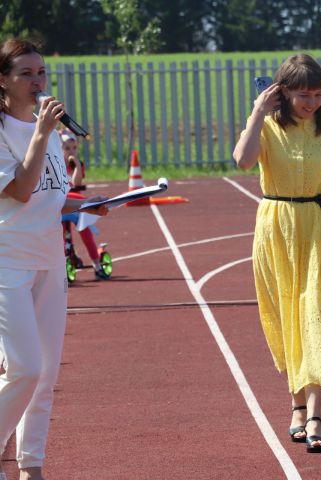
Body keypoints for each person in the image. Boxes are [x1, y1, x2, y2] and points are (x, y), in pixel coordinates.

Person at [232, 53, 321, 453]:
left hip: (319, 230)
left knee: (317, 319)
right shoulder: (268, 129)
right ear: (282, 92)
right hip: (276, 229)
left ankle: (315, 415)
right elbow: (242, 161)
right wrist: (258, 112)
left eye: (318, 94)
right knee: (286, 318)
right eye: (303, 94)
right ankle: (295, 406)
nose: (311, 102)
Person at [0, 37, 108, 480]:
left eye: (41, 72)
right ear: (2, 81)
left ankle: (32, 467)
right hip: (8, 262)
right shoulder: (10, 132)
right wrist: (42, 134)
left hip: (47, 259)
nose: (37, 81)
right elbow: (21, 190)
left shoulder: (51, 131)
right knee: (24, 367)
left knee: (45, 375)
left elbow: (50, 197)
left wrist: (85, 203)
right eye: (25, 73)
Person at [58, 128, 110, 279]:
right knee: (58, 236)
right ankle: (61, 265)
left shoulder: (78, 164)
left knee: (85, 232)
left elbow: (76, 182)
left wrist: (76, 165)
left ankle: (97, 265)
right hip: (61, 206)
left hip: (76, 206)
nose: (71, 151)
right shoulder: (56, 164)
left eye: (74, 148)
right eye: (67, 148)